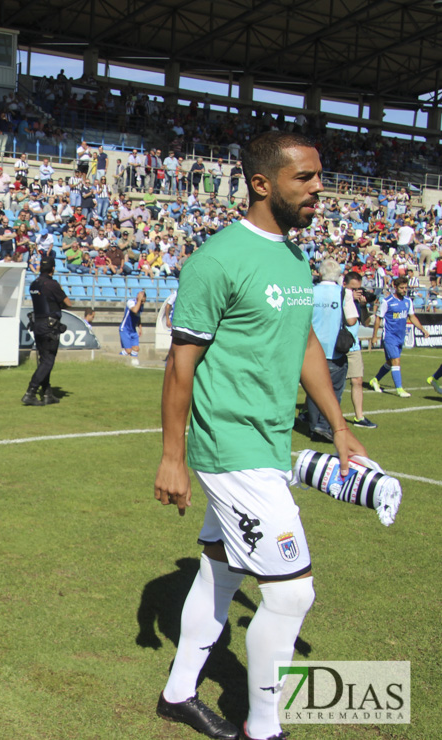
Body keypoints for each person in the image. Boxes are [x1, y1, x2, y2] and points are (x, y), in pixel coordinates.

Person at [153, 131, 366, 740]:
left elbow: (305, 344)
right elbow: (181, 365)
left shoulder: (296, 258)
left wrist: (341, 427)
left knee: (219, 570)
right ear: (262, 184)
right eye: (305, 178)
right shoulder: (217, 260)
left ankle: (177, 694)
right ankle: (264, 728)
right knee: (292, 595)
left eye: (319, 176)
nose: (318, 188)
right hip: (230, 444)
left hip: (271, 442)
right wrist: (174, 457)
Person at [301, 259, 351, 442]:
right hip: (334, 348)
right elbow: (352, 320)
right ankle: (325, 424)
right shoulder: (344, 293)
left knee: (314, 388)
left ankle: (315, 426)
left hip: (311, 347)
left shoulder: (311, 292)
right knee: (334, 389)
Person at [24, 255, 72, 406]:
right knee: (48, 360)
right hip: (49, 325)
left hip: (37, 323)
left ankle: (47, 393)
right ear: (53, 269)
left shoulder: (34, 284)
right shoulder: (52, 284)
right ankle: (31, 392)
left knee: (44, 360)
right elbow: (68, 303)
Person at [368, 276, 426, 398]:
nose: (404, 290)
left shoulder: (408, 301)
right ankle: (399, 389)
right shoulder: (387, 301)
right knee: (396, 361)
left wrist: (422, 329)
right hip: (389, 336)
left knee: (390, 362)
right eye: (402, 288)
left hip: (400, 337)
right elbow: (378, 319)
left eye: (406, 288)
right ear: (395, 287)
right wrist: (374, 336)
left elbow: (412, 317)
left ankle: (375, 380)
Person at [342, 271, 375, 428]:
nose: (357, 292)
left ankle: (359, 417)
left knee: (357, 380)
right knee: (325, 382)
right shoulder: (339, 298)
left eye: (359, 289)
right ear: (345, 286)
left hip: (353, 346)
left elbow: (367, 323)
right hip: (337, 345)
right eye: (353, 289)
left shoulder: (356, 302)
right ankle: (309, 413)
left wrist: (363, 306)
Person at [119, 290, 146, 364]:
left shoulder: (141, 306)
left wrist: (140, 327)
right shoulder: (131, 302)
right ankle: (117, 359)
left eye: (144, 301)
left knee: (136, 349)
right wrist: (139, 300)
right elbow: (135, 310)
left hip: (133, 330)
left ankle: (133, 364)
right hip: (125, 329)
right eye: (142, 301)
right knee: (128, 351)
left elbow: (138, 316)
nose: (143, 303)